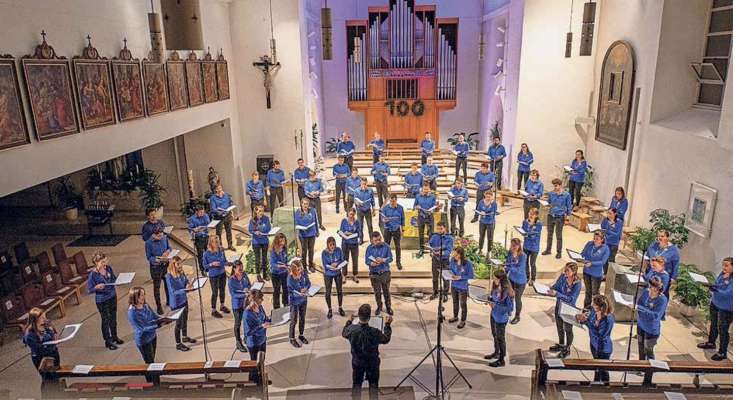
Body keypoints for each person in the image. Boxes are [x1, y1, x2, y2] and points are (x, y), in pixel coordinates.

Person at [343, 304, 393, 397]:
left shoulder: (351, 330)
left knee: (357, 384)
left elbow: (344, 333)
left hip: (357, 362)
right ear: (369, 317)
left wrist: (349, 321)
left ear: (358, 315)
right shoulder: (375, 332)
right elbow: (386, 339)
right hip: (372, 362)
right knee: (373, 384)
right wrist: (387, 325)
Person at [127, 287, 169, 382]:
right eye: (141, 295)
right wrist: (158, 325)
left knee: (151, 359)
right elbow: (142, 328)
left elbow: (154, 315)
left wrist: (164, 318)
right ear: (134, 297)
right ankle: (153, 382)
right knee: (150, 363)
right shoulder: (132, 312)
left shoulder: (145, 305)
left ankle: (151, 379)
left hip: (152, 336)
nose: (143, 297)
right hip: (144, 340)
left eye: (144, 294)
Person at [698, 257, 733, 361]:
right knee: (713, 324)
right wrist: (711, 285)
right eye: (723, 265)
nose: (724, 267)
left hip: (726, 308)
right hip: (715, 303)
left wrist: (715, 290)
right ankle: (711, 342)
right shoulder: (722, 274)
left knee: (723, 330)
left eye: (726, 265)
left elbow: (729, 293)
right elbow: (718, 284)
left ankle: (722, 352)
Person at [86, 252, 123, 350]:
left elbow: (113, 278)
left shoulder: (108, 268)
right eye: (102, 262)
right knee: (105, 320)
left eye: (105, 261)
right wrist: (96, 287)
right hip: (102, 300)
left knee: (113, 318)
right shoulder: (93, 275)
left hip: (112, 296)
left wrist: (119, 281)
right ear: (96, 262)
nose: (104, 263)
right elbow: (89, 290)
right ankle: (108, 341)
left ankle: (115, 337)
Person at [575, 294, 614, 382]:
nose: (592, 305)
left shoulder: (608, 319)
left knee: (603, 370)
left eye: (594, 304)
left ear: (600, 307)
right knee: (596, 367)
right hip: (593, 344)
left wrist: (586, 322)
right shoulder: (593, 312)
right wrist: (582, 319)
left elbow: (600, 335)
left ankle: (605, 388)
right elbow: (588, 321)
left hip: (603, 348)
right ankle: (595, 384)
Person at [637, 276, 668, 384]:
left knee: (648, 350)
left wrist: (643, 309)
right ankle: (641, 367)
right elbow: (639, 303)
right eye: (650, 286)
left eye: (653, 287)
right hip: (641, 325)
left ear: (659, 288)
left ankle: (649, 375)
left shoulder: (662, 299)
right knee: (641, 348)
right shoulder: (646, 292)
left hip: (651, 330)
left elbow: (656, 315)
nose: (651, 289)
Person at [548, 262, 582, 358]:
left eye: (567, 270)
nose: (565, 272)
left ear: (574, 271)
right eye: (565, 269)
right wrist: (548, 289)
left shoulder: (577, 284)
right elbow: (556, 286)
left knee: (568, 329)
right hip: (559, 306)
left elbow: (571, 299)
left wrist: (557, 294)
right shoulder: (563, 277)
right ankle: (561, 344)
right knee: (559, 327)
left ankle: (567, 348)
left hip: (568, 309)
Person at [165, 256, 196, 352]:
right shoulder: (168, 277)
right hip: (176, 303)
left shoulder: (181, 272)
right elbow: (173, 291)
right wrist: (185, 289)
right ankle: (178, 344)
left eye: (180, 263)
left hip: (184, 299)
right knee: (178, 324)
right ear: (173, 265)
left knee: (185, 319)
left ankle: (185, 336)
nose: (180, 266)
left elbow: (186, 281)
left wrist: (188, 284)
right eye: (178, 264)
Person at [486, 269, 514, 367]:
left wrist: (496, 306)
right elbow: (494, 297)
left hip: (501, 319)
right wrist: (489, 299)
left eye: (495, 278)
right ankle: (496, 352)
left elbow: (510, 308)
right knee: (494, 335)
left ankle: (501, 360)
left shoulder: (508, 291)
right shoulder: (496, 286)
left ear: (501, 279)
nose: (493, 280)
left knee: (500, 338)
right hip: (493, 315)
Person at [23, 308, 60, 379]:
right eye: (42, 317)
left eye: (45, 316)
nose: (45, 319)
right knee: (48, 378)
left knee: (56, 375)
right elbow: (38, 349)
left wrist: (54, 333)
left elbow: (55, 335)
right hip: (42, 358)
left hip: (53, 353)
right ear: (35, 319)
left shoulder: (47, 326)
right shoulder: (30, 334)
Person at [243, 289, 271, 384]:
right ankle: (253, 379)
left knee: (262, 360)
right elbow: (248, 332)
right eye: (260, 298)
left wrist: (270, 319)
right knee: (254, 362)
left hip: (262, 338)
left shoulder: (260, 307)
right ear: (254, 300)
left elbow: (265, 317)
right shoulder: (247, 314)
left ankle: (261, 376)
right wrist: (261, 326)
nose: (262, 300)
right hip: (253, 342)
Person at [644, 230, 680, 297]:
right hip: (652, 273)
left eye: (662, 236)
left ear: (667, 238)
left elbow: (676, 265)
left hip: (664, 276)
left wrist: (673, 278)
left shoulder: (673, 250)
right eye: (658, 236)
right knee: (649, 291)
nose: (659, 238)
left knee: (661, 293)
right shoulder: (654, 244)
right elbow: (648, 255)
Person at [542, 178, 572, 259]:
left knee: (558, 236)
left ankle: (559, 252)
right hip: (551, 215)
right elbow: (549, 202)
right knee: (549, 234)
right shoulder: (551, 193)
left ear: (560, 185)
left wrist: (567, 218)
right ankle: (548, 250)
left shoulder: (566, 195)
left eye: (556, 186)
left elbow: (569, 206)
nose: (555, 188)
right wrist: (544, 202)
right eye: (554, 186)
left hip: (560, 217)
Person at [365, 231, 394, 316]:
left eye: (379, 239)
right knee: (377, 292)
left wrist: (383, 260)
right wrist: (372, 263)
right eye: (376, 240)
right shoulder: (369, 248)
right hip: (374, 273)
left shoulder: (386, 246)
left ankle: (388, 307)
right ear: (372, 240)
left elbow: (391, 258)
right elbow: (367, 261)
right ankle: (379, 306)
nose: (378, 241)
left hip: (384, 272)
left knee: (386, 291)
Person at [145, 227, 172, 314]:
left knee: (168, 284)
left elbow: (169, 248)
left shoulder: (165, 238)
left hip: (165, 265)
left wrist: (167, 252)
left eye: (162, 235)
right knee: (157, 287)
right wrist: (157, 259)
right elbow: (149, 257)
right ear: (153, 235)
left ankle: (169, 301)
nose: (161, 237)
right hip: (156, 268)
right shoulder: (148, 243)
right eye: (159, 236)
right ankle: (159, 306)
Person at [203, 236, 231, 318]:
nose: (218, 243)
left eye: (218, 241)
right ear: (211, 243)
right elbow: (204, 266)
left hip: (222, 273)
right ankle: (213, 310)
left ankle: (222, 306)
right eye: (215, 242)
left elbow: (224, 261)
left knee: (222, 290)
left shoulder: (221, 250)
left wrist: (229, 263)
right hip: (214, 275)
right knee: (215, 293)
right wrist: (212, 264)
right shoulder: (206, 253)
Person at [581, 231, 609, 310]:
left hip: (596, 274)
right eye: (594, 238)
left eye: (597, 239)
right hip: (586, 272)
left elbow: (603, 262)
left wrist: (592, 263)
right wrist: (580, 258)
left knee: (595, 293)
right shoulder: (589, 244)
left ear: (602, 240)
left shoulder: (605, 248)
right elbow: (583, 253)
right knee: (588, 292)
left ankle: (597, 309)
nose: (595, 240)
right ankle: (586, 308)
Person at [448, 247, 474, 329]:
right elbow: (450, 269)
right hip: (454, 285)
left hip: (463, 287)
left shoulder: (467, 263)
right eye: (454, 254)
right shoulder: (452, 260)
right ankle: (455, 316)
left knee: (463, 304)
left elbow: (471, 275)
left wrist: (460, 277)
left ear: (460, 254)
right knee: (455, 302)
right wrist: (450, 274)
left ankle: (463, 320)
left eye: (456, 254)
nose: (454, 256)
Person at [229, 259, 251, 352]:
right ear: (234, 269)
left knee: (247, 321)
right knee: (238, 323)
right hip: (237, 305)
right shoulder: (231, 280)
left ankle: (247, 338)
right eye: (239, 269)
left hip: (246, 303)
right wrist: (244, 294)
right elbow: (233, 294)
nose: (241, 270)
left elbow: (249, 285)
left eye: (242, 268)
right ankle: (238, 342)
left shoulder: (244, 275)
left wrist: (248, 289)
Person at [428, 221, 454, 302]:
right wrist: (429, 248)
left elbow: (449, 250)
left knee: (446, 278)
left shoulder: (449, 238)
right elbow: (430, 244)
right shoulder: (434, 236)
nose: (439, 230)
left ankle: (445, 294)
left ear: (445, 228)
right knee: (435, 277)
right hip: (435, 259)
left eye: (441, 229)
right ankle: (435, 292)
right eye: (438, 229)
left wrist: (441, 253)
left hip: (444, 260)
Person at [287, 260, 311, 347]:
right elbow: (290, 291)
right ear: (293, 269)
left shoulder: (303, 274)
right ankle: (292, 338)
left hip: (303, 300)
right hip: (294, 302)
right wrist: (298, 292)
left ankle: (301, 335)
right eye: (298, 269)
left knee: (302, 318)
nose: (300, 270)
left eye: (301, 268)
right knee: (293, 320)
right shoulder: (290, 278)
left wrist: (306, 288)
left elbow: (308, 283)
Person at [322, 237, 345, 319]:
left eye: (334, 244)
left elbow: (342, 260)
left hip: (337, 272)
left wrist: (337, 263)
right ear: (328, 245)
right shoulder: (324, 253)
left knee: (340, 291)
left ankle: (340, 307)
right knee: (328, 292)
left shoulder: (339, 250)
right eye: (331, 245)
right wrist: (331, 266)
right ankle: (330, 309)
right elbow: (325, 264)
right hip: (328, 274)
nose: (332, 246)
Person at [506, 238, 528, 324]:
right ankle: (509, 309)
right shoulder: (510, 252)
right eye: (512, 245)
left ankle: (517, 316)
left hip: (520, 281)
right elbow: (507, 262)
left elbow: (519, 269)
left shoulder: (523, 256)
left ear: (519, 246)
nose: (513, 247)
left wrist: (508, 267)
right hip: (511, 279)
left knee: (517, 298)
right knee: (509, 295)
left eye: (515, 245)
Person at [380, 194, 405, 270]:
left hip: (396, 229)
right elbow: (382, 218)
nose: (392, 203)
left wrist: (403, 230)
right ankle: (385, 262)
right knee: (386, 247)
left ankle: (398, 262)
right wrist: (384, 220)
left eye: (393, 201)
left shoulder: (400, 208)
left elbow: (403, 219)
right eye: (391, 201)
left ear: (396, 200)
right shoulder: (385, 208)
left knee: (398, 247)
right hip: (387, 229)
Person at [295, 198, 319, 273]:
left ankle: (311, 265)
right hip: (303, 234)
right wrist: (301, 227)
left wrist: (317, 231)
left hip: (312, 233)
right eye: (304, 204)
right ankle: (304, 267)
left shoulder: (313, 210)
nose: (305, 205)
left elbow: (316, 221)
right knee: (304, 251)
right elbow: (296, 223)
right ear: (301, 204)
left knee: (311, 250)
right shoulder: (298, 212)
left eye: (307, 204)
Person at [248, 204, 272, 281]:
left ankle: (265, 274)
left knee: (265, 258)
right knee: (258, 259)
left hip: (264, 240)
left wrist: (262, 232)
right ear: (256, 211)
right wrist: (255, 232)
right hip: (256, 242)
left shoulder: (266, 218)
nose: (261, 212)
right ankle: (258, 275)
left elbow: (268, 228)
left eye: (263, 211)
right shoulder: (252, 220)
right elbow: (250, 230)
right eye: (260, 211)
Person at [209, 184, 236, 250]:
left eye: (220, 188)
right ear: (215, 190)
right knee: (219, 233)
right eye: (218, 189)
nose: (220, 190)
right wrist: (220, 212)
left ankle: (230, 245)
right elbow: (213, 209)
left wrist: (231, 209)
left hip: (227, 215)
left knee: (229, 231)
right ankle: (219, 246)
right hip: (219, 217)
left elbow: (231, 203)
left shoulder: (226, 195)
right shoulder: (213, 198)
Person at [414, 183, 437, 258]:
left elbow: (435, 207)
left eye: (427, 189)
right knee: (421, 234)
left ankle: (431, 250)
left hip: (430, 217)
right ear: (422, 189)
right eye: (424, 189)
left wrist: (433, 209)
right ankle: (421, 249)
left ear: (429, 189)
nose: (426, 191)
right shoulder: (418, 196)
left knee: (431, 234)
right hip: (421, 217)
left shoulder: (433, 197)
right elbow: (414, 206)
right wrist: (417, 207)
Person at [187, 205, 211, 275]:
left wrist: (207, 227)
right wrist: (194, 230)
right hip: (199, 238)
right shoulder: (192, 219)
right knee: (200, 255)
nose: (202, 214)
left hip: (206, 236)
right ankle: (202, 269)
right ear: (196, 212)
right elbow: (190, 229)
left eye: (203, 212)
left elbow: (208, 224)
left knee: (208, 253)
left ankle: (208, 267)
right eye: (200, 212)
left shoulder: (205, 216)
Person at [340, 208, 362, 283]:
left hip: (354, 243)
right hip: (345, 243)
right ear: (348, 214)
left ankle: (355, 276)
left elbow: (359, 233)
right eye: (350, 214)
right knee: (345, 260)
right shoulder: (344, 221)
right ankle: (344, 276)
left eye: (353, 214)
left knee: (355, 260)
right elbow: (341, 232)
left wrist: (352, 234)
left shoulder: (357, 222)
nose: (351, 216)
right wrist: (344, 234)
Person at [269, 233, 290, 308]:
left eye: (284, 241)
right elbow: (273, 264)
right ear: (277, 242)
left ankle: (286, 303)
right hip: (276, 274)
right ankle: (276, 307)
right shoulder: (273, 251)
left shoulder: (284, 249)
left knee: (285, 288)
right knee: (277, 290)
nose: (282, 243)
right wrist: (281, 266)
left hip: (284, 273)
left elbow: (286, 260)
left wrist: (288, 265)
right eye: (281, 241)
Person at [522, 208, 543, 282]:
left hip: (534, 247)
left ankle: (533, 279)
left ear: (536, 215)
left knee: (532, 263)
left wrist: (528, 234)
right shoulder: (525, 222)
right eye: (530, 213)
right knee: (525, 262)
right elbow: (523, 231)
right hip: (526, 245)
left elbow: (535, 235)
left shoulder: (539, 224)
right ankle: (527, 277)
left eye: (532, 214)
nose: (530, 215)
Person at [475, 190, 498, 256]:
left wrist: (486, 213)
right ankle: (480, 249)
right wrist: (480, 213)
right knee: (481, 236)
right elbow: (478, 210)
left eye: (489, 197)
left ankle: (489, 251)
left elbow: (493, 213)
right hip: (482, 222)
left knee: (490, 237)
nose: (488, 198)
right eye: (487, 197)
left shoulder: (494, 203)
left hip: (490, 222)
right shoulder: (481, 202)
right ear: (484, 196)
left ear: (492, 197)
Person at [600, 208, 623, 276]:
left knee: (611, 259)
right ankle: (605, 274)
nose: (608, 215)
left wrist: (607, 231)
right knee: (605, 259)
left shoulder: (619, 222)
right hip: (606, 242)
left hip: (614, 243)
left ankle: (611, 275)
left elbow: (617, 234)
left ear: (615, 214)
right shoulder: (605, 220)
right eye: (608, 213)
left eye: (610, 213)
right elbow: (602, 228)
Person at [354, 178, 376, 242]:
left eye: (365, 184)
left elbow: (372, 200)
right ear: (360, 183)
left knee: (370, 226)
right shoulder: (356, 191)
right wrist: (358, 203)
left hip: (367, 210)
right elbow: (355, 200)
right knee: (360, 226)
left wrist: (373, 209)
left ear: (367, 183)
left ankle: (372, 239)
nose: (364, 185)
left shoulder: (370, 190)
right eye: (362, 184)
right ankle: (361, 239)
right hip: (360, 210)